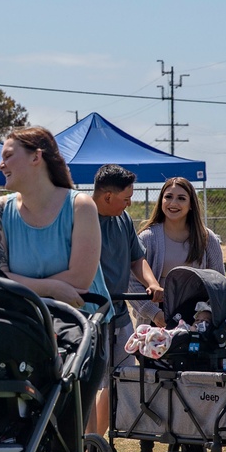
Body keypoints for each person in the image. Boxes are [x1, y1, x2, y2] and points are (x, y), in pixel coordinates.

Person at [0, 126, 111, 452]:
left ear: (37, 157)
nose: (1, 164)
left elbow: (79, 283)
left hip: (82, 333)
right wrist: (48, 288)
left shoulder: (81, 206)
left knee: (63, 432)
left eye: (8, 154)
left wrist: (42, 286)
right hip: (24, 332)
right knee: (16, 427)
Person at [127, 176, 225, 452]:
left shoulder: (208, 239)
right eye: (168, 196)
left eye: (181, 198)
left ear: (191, 203)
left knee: (191, 389)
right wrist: (152, 314)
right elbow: (132, 280)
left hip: (194, 326)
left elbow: (220, 282)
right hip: (154, 324)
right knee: (151, 387)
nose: (173, 203)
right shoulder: (147, 238)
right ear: (160, 201)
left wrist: (206, 315)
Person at [88, 164, 162, 437]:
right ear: (107, 197)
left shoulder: (123, 219)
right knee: (89, 382)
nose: (129, 203)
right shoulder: (80, 217)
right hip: (89, 316)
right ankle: (86, 450)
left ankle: (95, 446)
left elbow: (136, 258)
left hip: (119, 312)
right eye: (126, 198)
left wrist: (152, 283)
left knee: (123, 377)